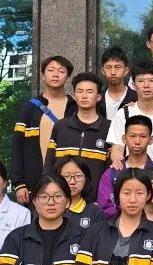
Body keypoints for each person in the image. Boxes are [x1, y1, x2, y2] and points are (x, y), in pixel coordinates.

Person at [12, 55, 75, 203]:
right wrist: (19, 183)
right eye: (51, 70)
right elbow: (17, 145)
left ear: (68, 77)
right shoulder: (30, 107)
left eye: (61, 71)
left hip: (69, 182)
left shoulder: (75, 107)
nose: (55, 74)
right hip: (35, 182)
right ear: (43, 75)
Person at [45, 71, 111, 201]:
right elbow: (49, 164)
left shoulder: (108, 128)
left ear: (99, 97)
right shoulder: (61, 126)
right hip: (61, 200)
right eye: (80, 91)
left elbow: (110, 170)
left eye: (90, 92)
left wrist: (103, 200)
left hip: (95, 203)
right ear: (74, 96)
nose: (84, 96)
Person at [97, 115, 153, 219]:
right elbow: (105, 208)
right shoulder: (113, 173)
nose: (137, 141)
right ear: (124, 139)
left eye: (143, 136)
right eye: (132, 136)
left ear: (151, 140)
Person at [56, 156, 106, 229]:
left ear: (86, 179)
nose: (72, 182)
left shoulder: (95, 212)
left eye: (78, 176)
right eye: (66, 176)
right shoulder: (49, 207)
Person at [100, 46, 137, 121]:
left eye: (117, 67)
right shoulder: (97, 99)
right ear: (103, 71)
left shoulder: (137, 98)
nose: (113, 72)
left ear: (126, 70)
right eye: (108, 67)